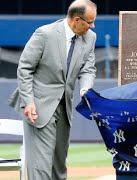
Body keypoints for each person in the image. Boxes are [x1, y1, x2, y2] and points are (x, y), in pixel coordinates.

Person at [8, 0, 97, 179]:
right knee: (40, 166)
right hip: (38, 106)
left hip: (65, 108)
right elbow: (25, 68)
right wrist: (28, 101)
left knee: (59, 165)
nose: (92, 26)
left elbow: (88, 69)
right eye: (89, 22)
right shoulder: (44, 34)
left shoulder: (90, 38)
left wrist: (85, 88)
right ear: (76, 20)